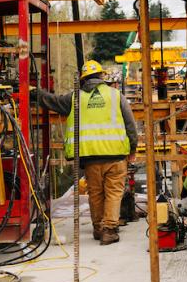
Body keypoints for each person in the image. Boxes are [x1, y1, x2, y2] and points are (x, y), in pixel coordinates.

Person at [38, 60, 138, 245]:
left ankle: (99, 228)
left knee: (96, 193)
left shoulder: (74, 98)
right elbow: (130, 125)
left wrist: (33, 92)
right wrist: (132, 149)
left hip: (90, 158)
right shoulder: (116, 96)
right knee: (114, 193)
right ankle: (109, 229)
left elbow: (52, 101)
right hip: (116, 155)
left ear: (83, 80)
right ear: (102, 76)